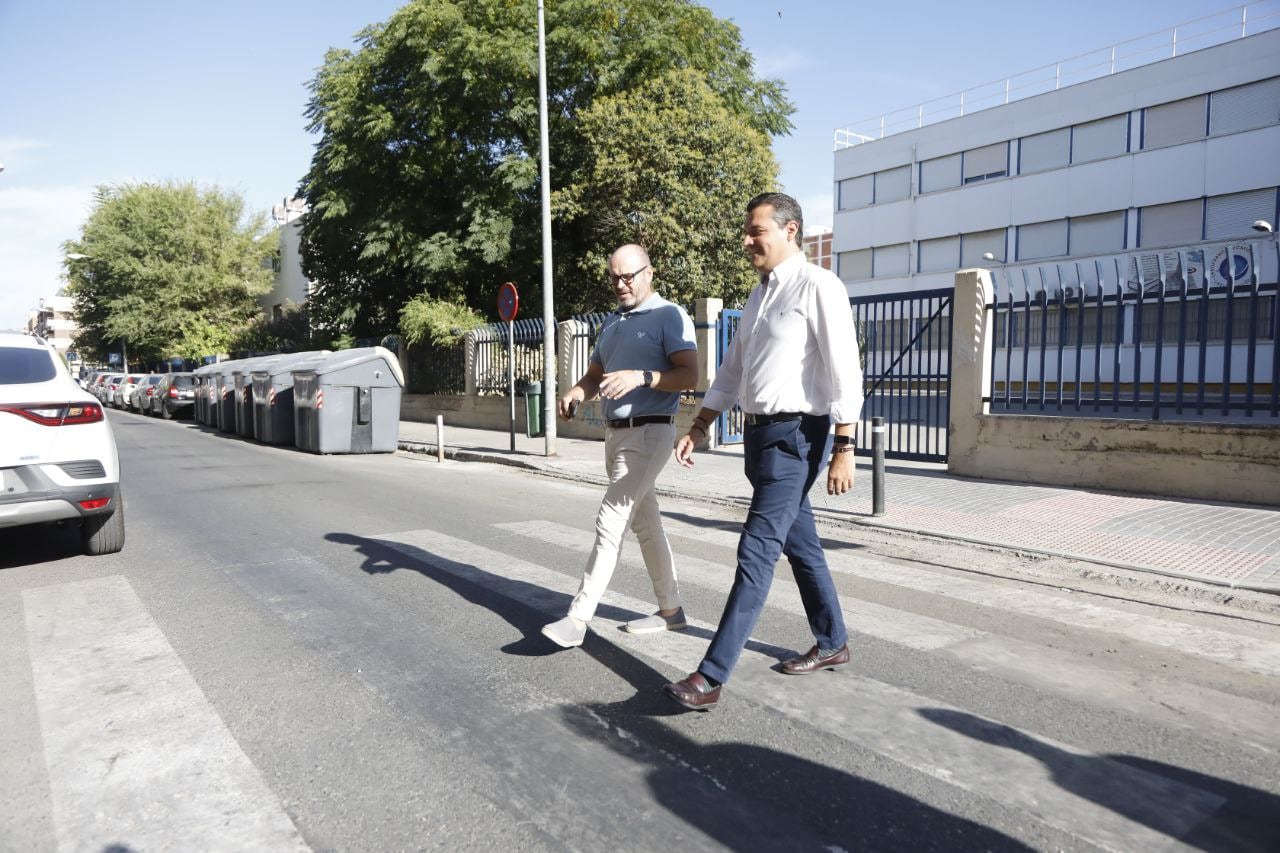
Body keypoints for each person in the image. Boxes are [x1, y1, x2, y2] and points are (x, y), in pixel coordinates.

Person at [663, 192, 863, 711]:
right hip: (760, 438)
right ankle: (833, 640)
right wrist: (701, 423)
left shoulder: (819, 286)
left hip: (799, 437)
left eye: (757, 231)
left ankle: (710, 677)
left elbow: (845, 369)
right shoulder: (760, 295)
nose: (748, 241)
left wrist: (845, 446)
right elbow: (732, 369)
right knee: (803, 547)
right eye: (747, 232)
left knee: (756, 550)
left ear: (790, 230)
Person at [541, 244, 700, 648]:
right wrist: (576, 391)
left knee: (610, 519)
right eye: (614, 277)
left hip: (649, 432)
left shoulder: (669, 315)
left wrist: (642, 376)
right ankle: (671, 611)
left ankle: (578, 618)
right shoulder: (612, 324)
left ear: (649, 273)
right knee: (647, 525)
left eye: (629, 276)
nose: (621, 284)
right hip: (615, 434)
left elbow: (690, 375)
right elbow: (595, 373)